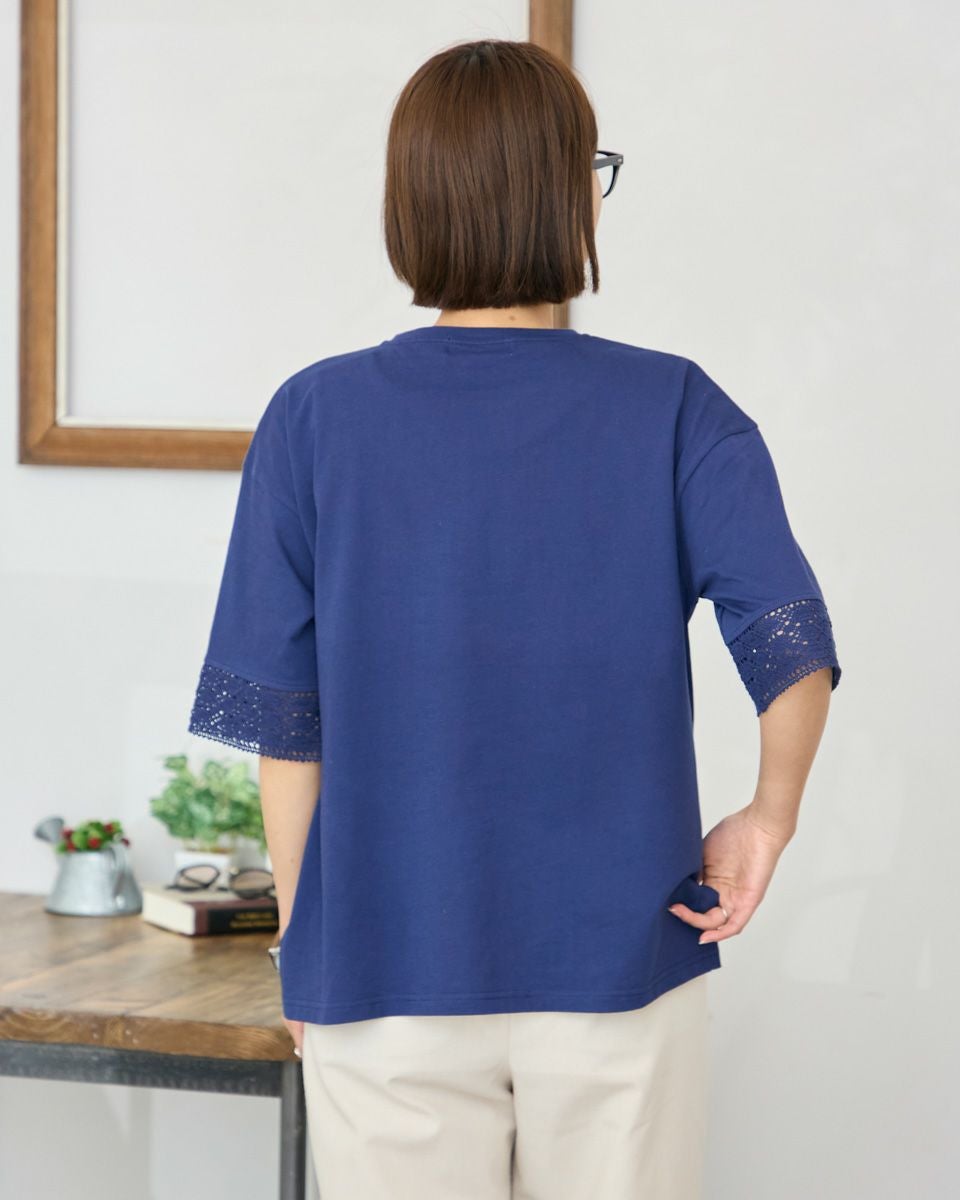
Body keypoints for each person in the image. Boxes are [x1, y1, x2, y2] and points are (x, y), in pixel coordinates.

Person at [187, 37, 841, 1200]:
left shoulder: (313, 417)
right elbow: (788, 636)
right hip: (620, 972)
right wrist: (768, 817)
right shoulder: (676, 406)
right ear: (568, 195)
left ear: (412, 201)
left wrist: (305, 944)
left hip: (382, 976)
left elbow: (287, 722)